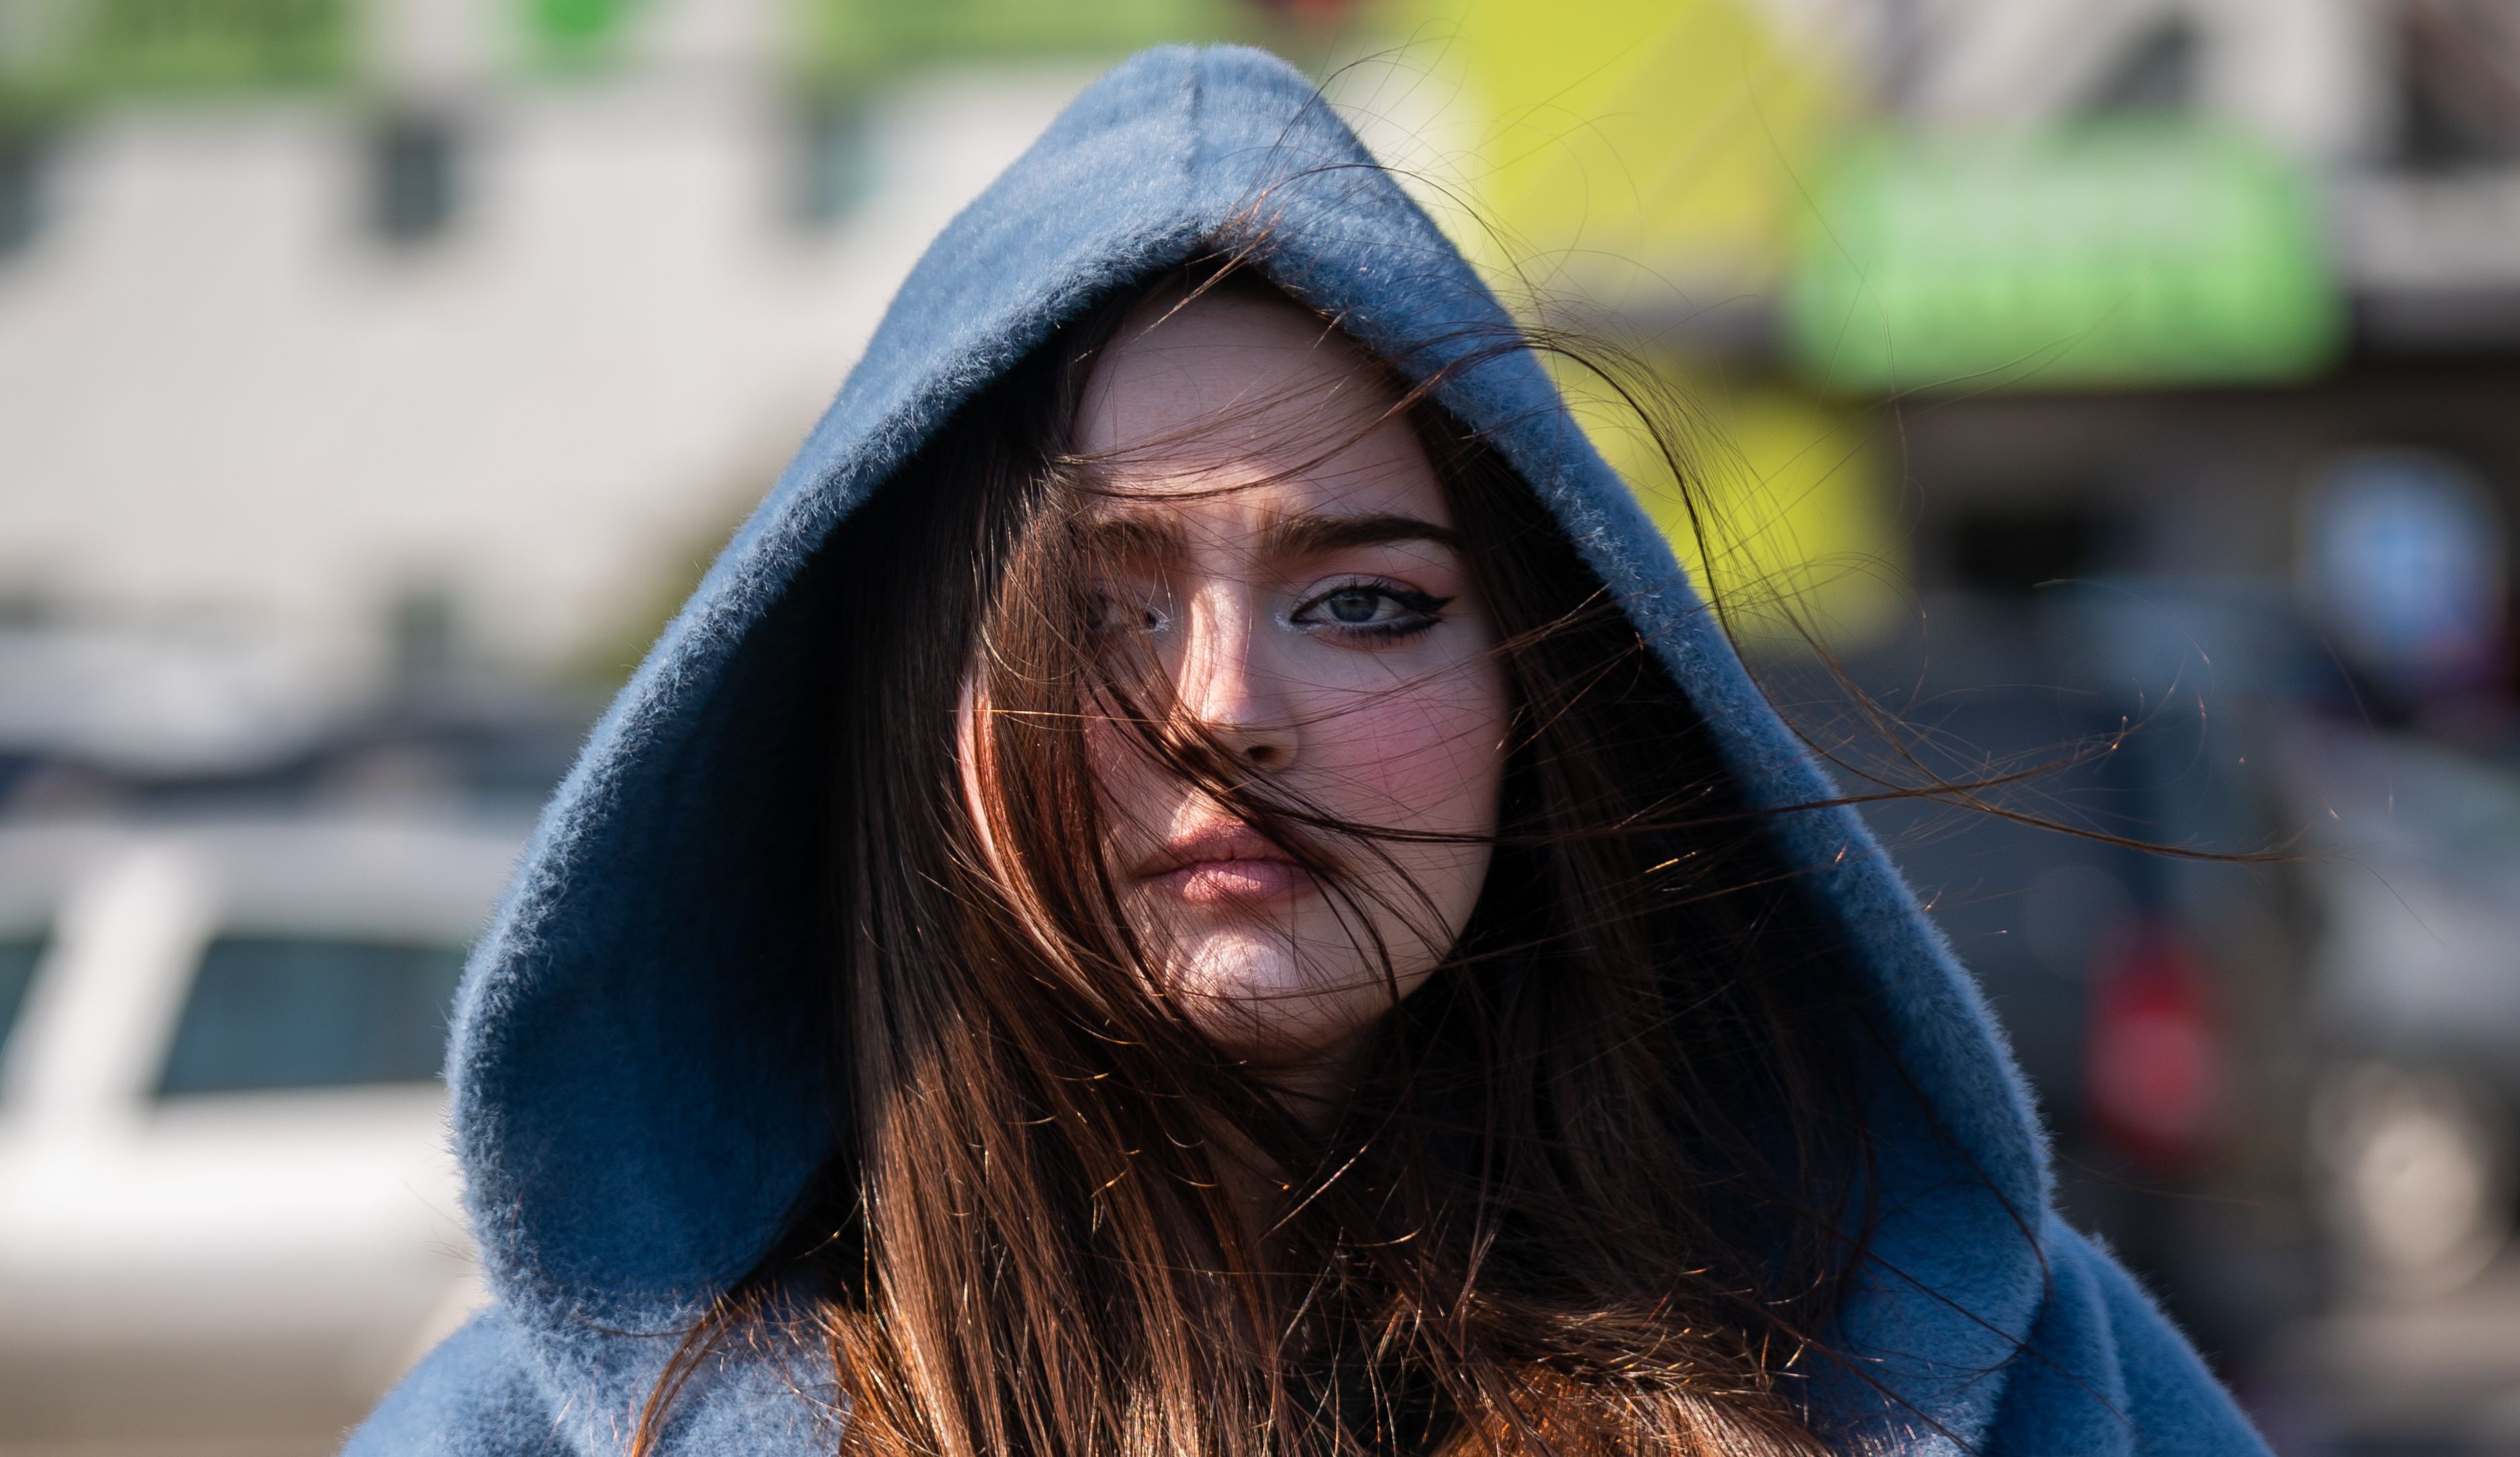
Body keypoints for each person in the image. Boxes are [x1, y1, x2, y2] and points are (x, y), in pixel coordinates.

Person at [349, 46, 2272, 1457]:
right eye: (1098, 606)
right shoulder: (538, 1438)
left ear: (1550, 695)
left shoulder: (2011, 1385)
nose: (1222, 706)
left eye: (1364, 599)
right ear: (900, 729)